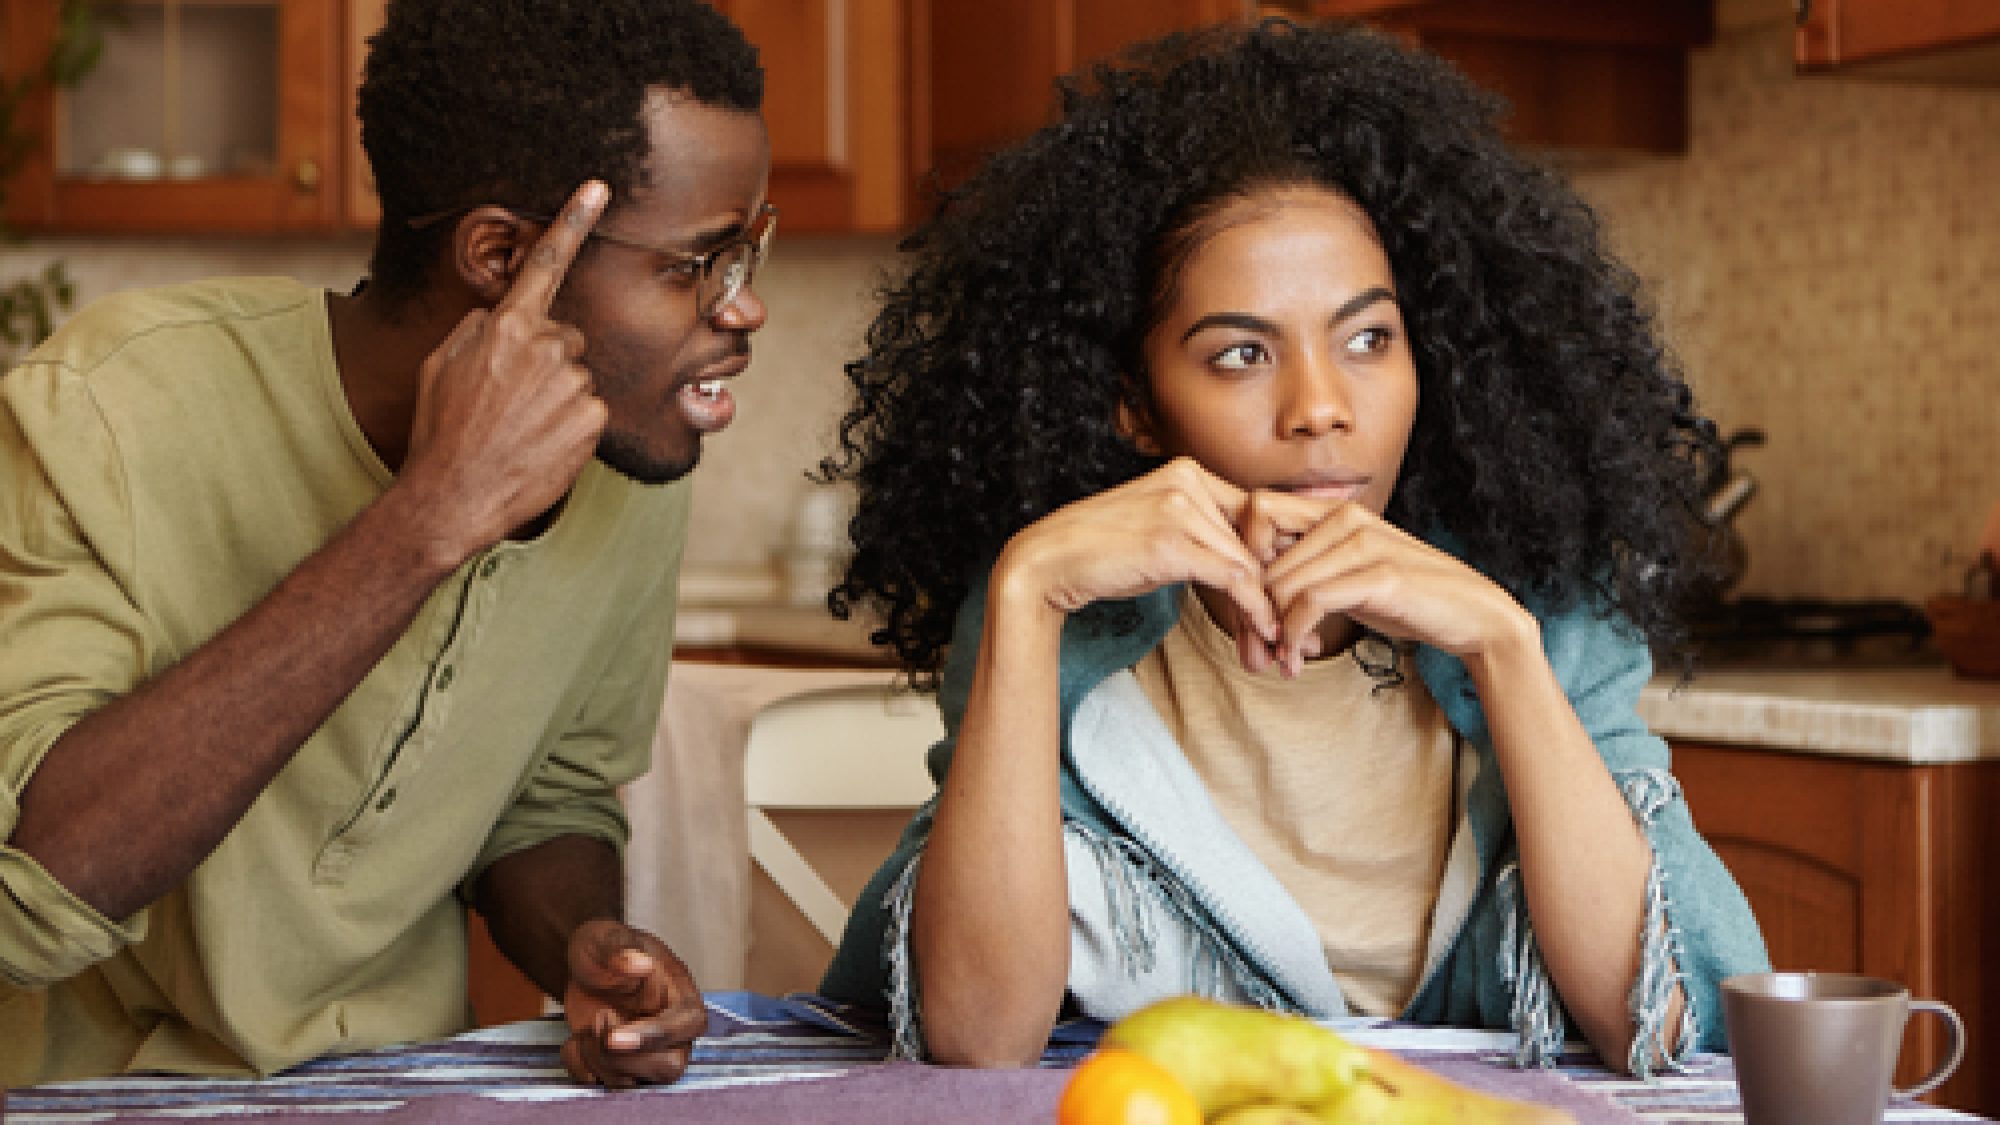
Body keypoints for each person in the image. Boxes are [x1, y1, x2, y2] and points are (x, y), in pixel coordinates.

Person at [817, 18, 1769, 1076]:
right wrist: (1027, 591)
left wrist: (1501, 646)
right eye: (1238, 355)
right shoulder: (1067, 623)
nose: (1320, 408)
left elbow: (1663, 1020)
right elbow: (976, 1038)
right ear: (1134, 406)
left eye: (1368, 338)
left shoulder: (1540, 597)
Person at [0, 0, 773, 1088]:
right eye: (698, 263)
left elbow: (548, 796)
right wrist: (428, 518)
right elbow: (25, 897)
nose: (744, 311)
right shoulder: (109, 407)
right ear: (504, 257)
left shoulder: (624, 453)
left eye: (748, 252)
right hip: (89, 1098)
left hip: (404, 1086)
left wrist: (580, 946)